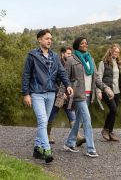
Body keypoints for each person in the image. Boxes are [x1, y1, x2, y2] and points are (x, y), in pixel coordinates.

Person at [22, 29, 73, 163]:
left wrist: (68, 85)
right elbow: (26, 75)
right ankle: (47, 150)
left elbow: (62, 73)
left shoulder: (55, 56)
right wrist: (26, 94)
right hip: (37, 93)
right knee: (43, 121)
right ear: (39, 40)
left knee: (43, 122)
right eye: (46, 38)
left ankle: (37, 149)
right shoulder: (32, 55)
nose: (49, 40)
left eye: (50, 38)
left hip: (51, 93)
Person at [63, 37, 114, 158]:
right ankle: (91, 149)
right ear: (77, 45)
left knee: (79, 121)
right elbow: (65, 78)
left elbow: (96, 78)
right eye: (82, 43)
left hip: (88, 95)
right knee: (87, 120)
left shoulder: (90, 59)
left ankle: (69, 143)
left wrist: (105, 88)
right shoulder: (71, 59)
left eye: (86, 43)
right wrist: (64, 93)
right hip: (78, 94)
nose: (85, 44)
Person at [47, 46, 85, 146]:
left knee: (72, 116)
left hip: (69, 96)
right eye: (68, 54)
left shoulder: (71, 64)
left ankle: (77, 137)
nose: (70, 56)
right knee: (52, 115)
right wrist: (60, 92)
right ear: (62, 53)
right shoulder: (56, 64)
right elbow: (52, 81)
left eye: (71, 54)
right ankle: (47, 134)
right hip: (58, 95)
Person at [97, 44, 121, 141]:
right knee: (114, 109)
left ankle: (110, 132)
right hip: (107, 91)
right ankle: (105, 130)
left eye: (118, 52)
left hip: (117, 91)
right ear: (110, 51)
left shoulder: (118, 63)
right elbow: (98, 78)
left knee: (113, 112)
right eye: (115, 51)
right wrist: (99, 91)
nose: (116, 53)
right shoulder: (103, 63)